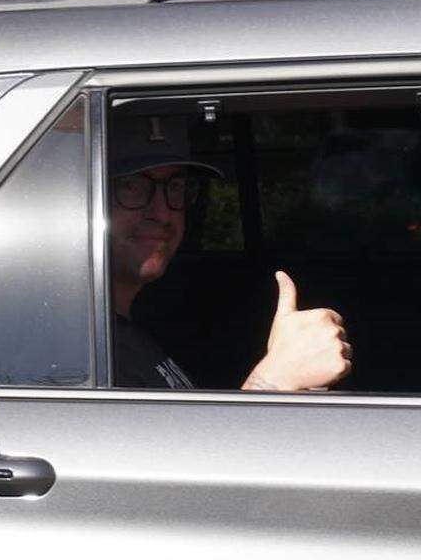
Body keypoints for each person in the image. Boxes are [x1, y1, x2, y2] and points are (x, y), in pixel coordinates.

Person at [109, 114, 352, 390]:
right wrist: (272, 383)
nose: (162, 213)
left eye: (175, 187)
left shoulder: (119, 332)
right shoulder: (72, 350)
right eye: (132, 186)